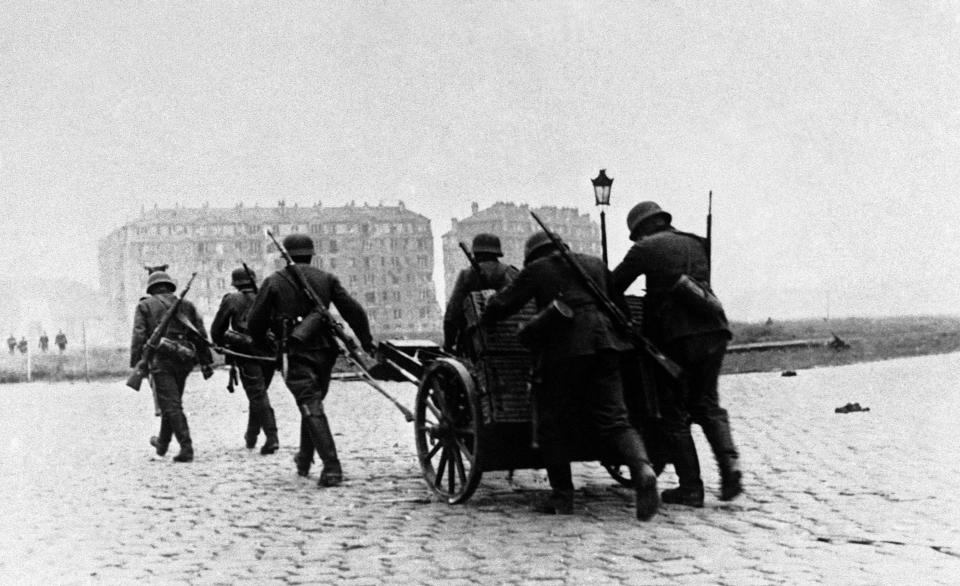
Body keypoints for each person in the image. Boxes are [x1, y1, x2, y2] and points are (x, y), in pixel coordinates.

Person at [480, 231, 659, 521]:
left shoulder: (537, 269)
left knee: (552, 423)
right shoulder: (594, 263)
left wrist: (486, 316)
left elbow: (502, 306)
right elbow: (620, 308)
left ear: (533, 254)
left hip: (564, 350)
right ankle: (643, 469)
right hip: (607, 346)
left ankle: (562, 497)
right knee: (616, 419)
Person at [612, 201, 741, 507]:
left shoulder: (644, 249)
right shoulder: (698, 243)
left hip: (674, 339)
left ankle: (691, 488)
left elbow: (613, 285)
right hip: (714, 331)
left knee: (673, 413)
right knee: (708, 404)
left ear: (641, 229)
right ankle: (731, 465)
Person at [247, 234, 375, 488]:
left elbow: (255, 322)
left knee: (310, 404)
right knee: (312, 403)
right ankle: (304, 458)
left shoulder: (274, 281)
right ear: (311, 254)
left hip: (294, 351)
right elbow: (353, 310)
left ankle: (332, 466)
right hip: (326, 352)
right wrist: (366, 341)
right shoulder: (326, 279)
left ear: (287, 255)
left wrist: (264, 344)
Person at [130, 270, 213, 463]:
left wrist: (137, 363)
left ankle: (186, 447)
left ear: (151, 288)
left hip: (161, 360)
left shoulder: (144, 305)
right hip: (184, 359)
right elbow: (199, 334)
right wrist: (205, 361)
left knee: (171, 404)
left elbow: (139, 335)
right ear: (170, 286)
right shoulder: (187, 305)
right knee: (171, 402)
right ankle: (162, 445)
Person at [211, 267, 279, 455]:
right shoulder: (268, 297)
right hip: (270, 354)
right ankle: (251, 436)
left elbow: (217, 329)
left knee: (257, 395)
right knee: (258, 394)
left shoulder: (232, 299)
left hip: (246, 354)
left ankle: (272, 438)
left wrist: (220, 343)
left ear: (236, 284)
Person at [443, 233, 518, 354]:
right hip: (512, 342)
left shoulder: (466, 275)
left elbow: (452, 313)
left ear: (476, 253)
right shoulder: (511, 272)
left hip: (474, 345)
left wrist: (448, 345)